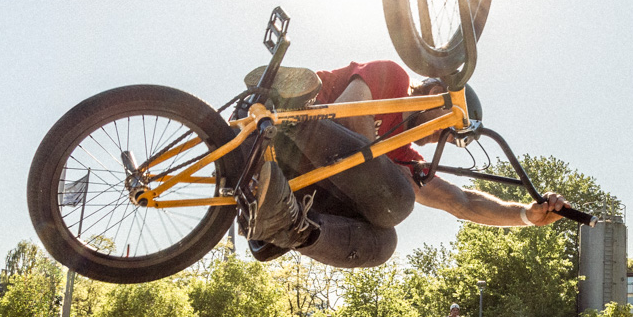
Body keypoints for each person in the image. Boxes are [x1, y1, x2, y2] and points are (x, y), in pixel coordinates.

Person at [242, 59, 572, 269]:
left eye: (453, 139)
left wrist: (526, 215)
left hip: (286, 184)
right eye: (448, 126)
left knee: (384, 243)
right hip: (284, 139)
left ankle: (288, 226)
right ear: (436, 91)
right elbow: (349, 106)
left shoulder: (404, 159)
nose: (442, 137)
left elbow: (461, 202)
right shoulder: (394, 79)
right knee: (398, 199)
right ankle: (288, 102)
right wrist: (381, 165)